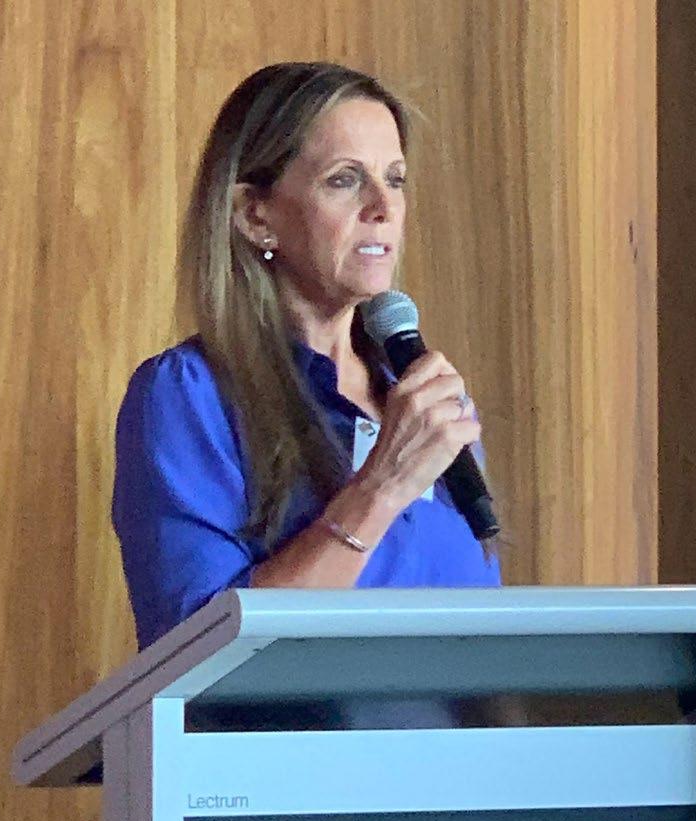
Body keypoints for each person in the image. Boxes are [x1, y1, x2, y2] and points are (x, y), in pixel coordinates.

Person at [112, 62, 501, 654]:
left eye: (395, 179)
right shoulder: (190, 396)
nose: (384, 207)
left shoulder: (427, 401)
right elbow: (194, 656)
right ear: (255, 215)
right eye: (345, 180)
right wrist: (381, 488)